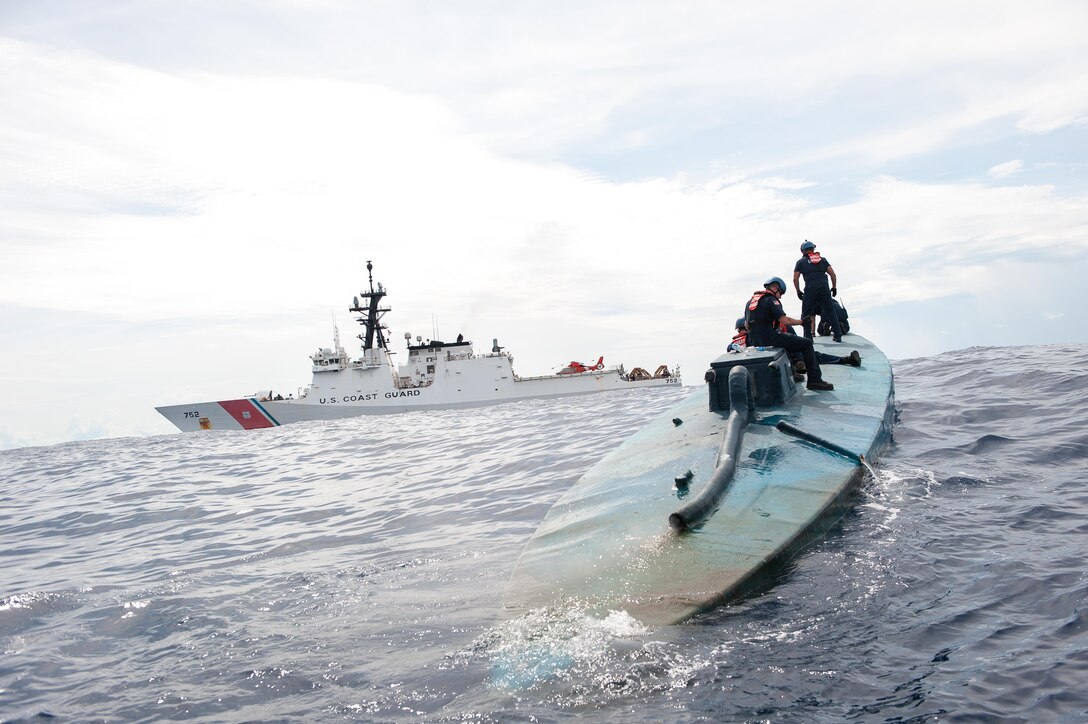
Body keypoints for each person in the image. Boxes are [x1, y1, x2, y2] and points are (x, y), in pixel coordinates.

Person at [745, 277, 834, 391]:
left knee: (787, 344)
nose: (780, 296)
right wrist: (802, 322)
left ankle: (793, 374)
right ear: (775, 288)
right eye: (780, 293)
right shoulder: (771, 300)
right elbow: (785, 321)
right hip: (770, 338)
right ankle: (815, 380)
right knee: (806, 344)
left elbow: (747, 325)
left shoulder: (750, 302)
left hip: (755, 341)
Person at [793, 240, 843, 342]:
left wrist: (798, 291)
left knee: (806, 313)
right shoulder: (823, 260)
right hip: (824, 287)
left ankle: (808, 337)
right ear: (813, 249)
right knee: (830, 311)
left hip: (810, 288)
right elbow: (833, 274)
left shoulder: (800, 262)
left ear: (802, 251)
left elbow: (795, 278)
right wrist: (834, 287)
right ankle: (837, 335)